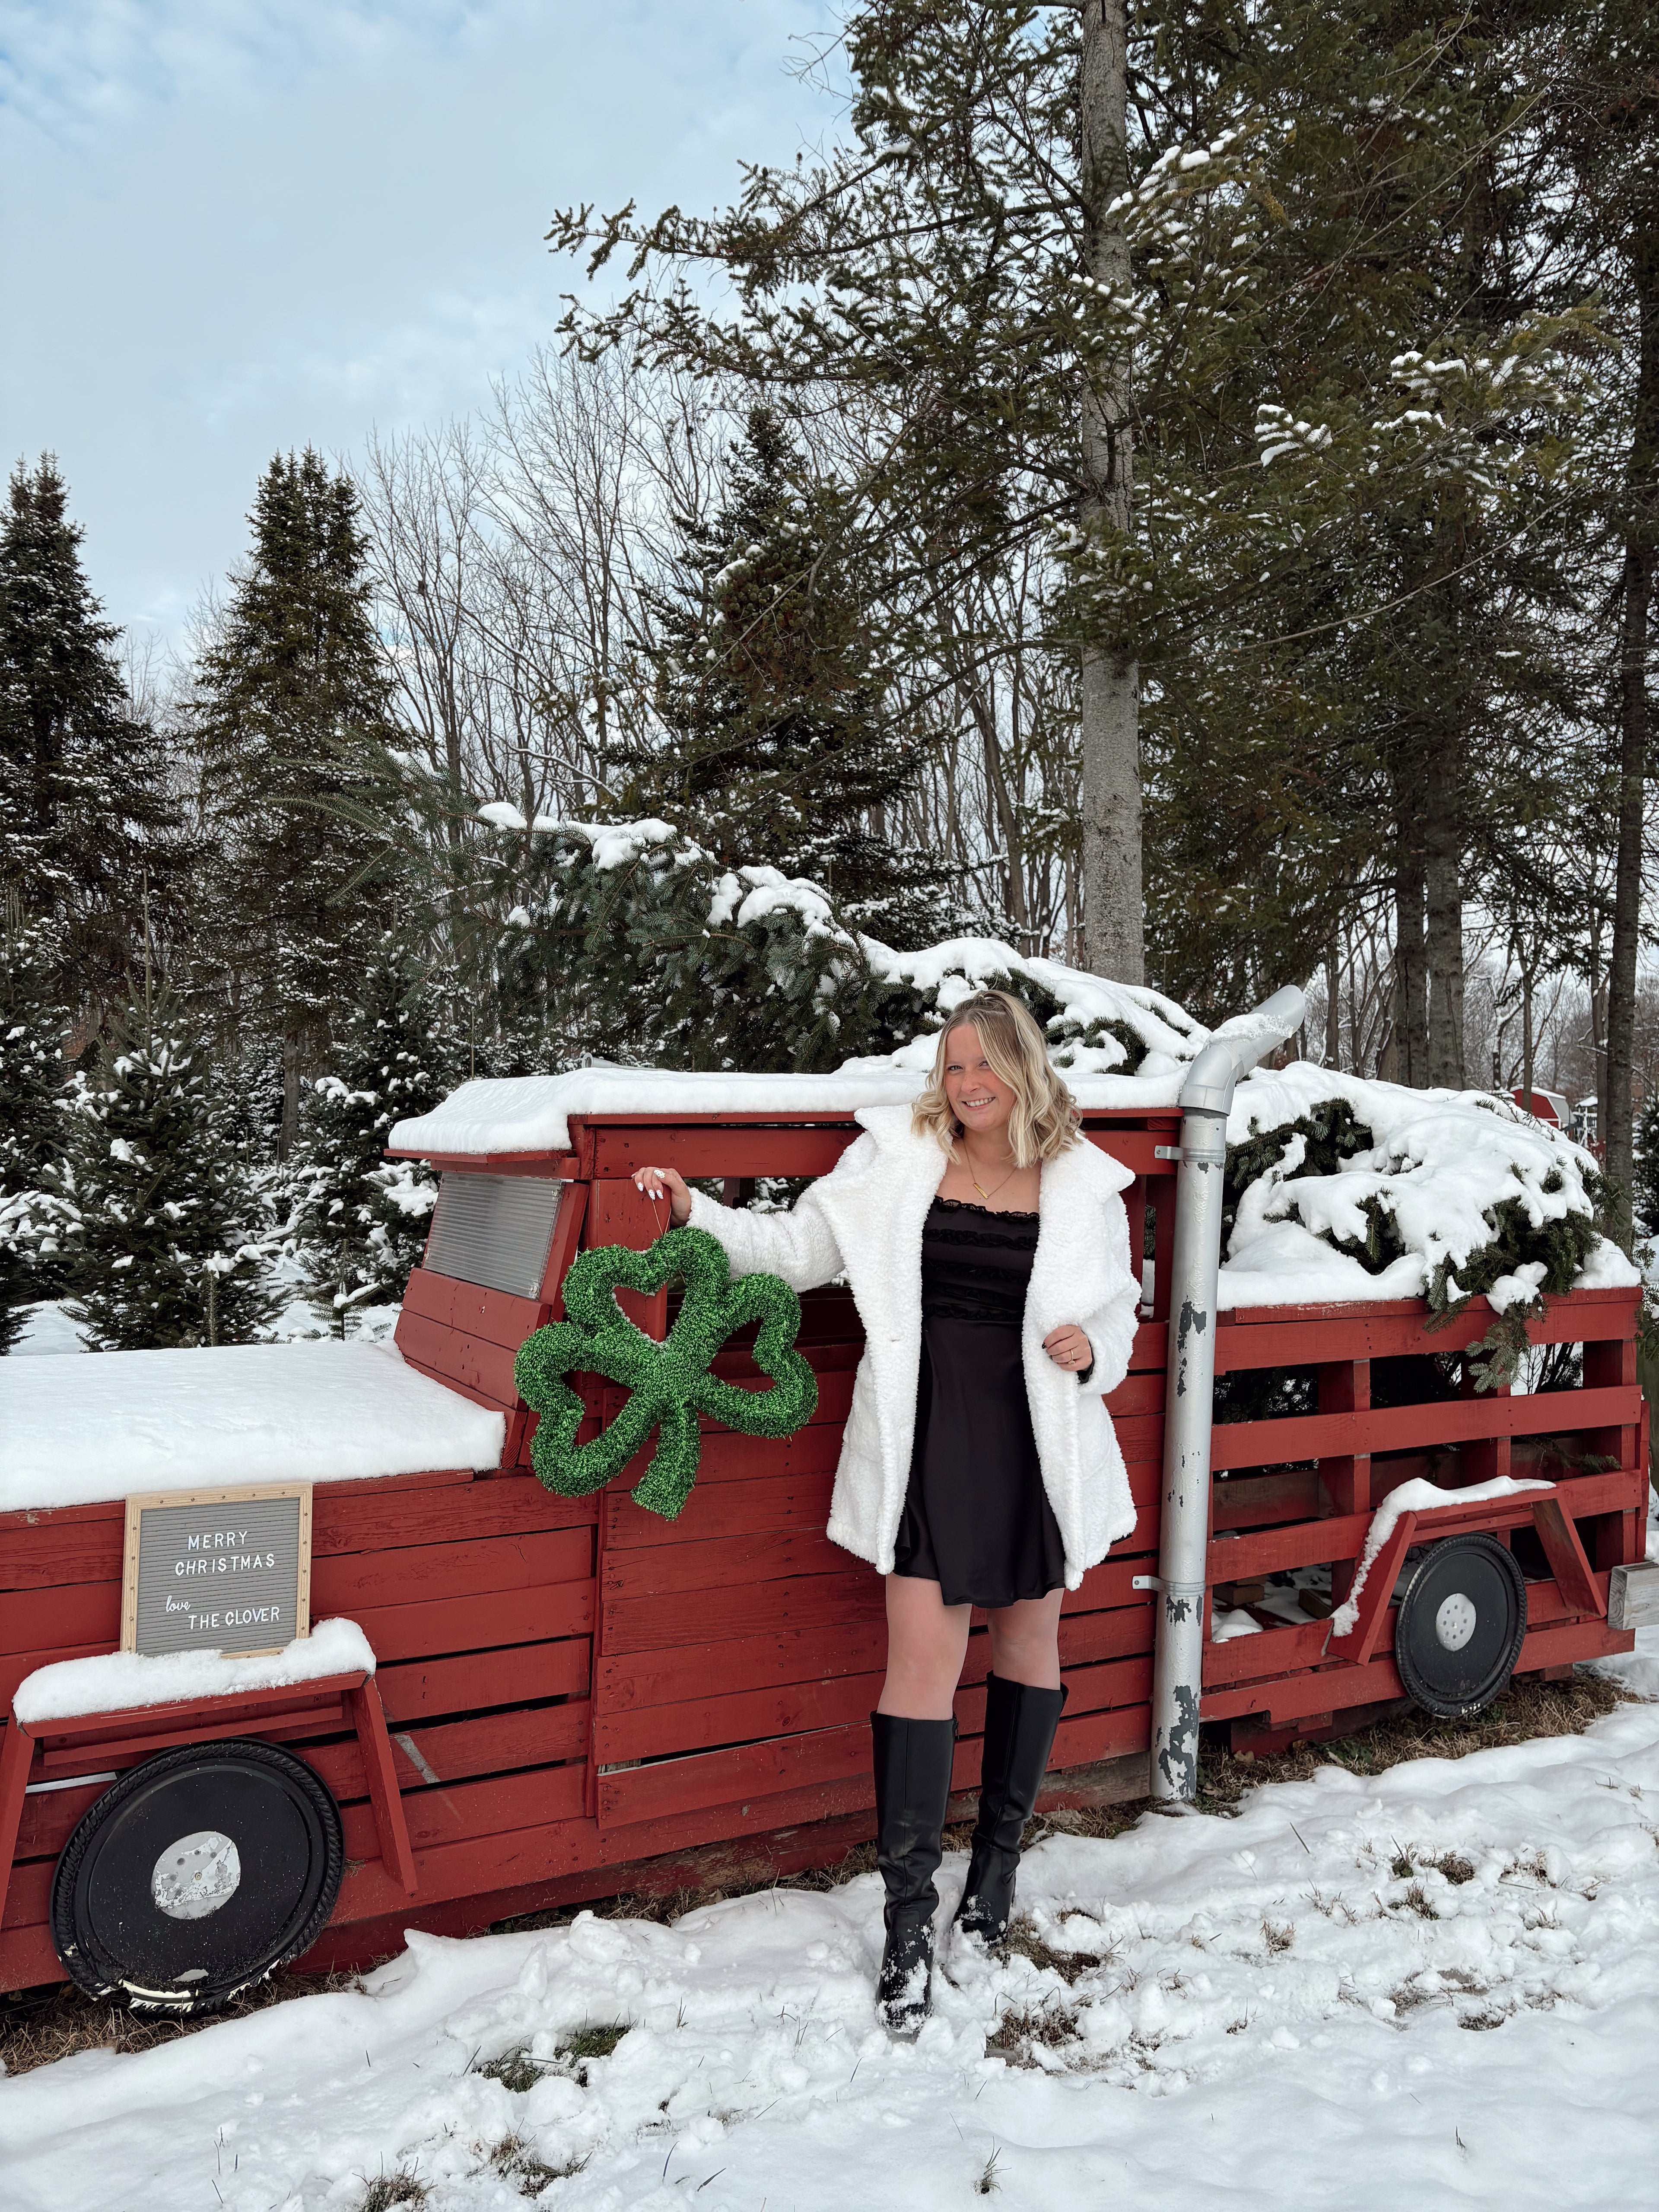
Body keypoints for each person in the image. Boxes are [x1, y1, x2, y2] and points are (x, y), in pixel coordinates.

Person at [632, 989, 1141, 2032]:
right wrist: (695, 1212)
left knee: (1031, 1647)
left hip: (1037, 1438)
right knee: (921, 1657)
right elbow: (798, 1251)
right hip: (924, 1435)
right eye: (953, 1065)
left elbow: (1117, 1308)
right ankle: (909, 1918)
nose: (968, 1083)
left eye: (986, 1063)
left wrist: (1098, 1351)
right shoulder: (895, 1162)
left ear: (1024, 1068)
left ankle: (993, 1880)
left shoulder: (1086, 1184)